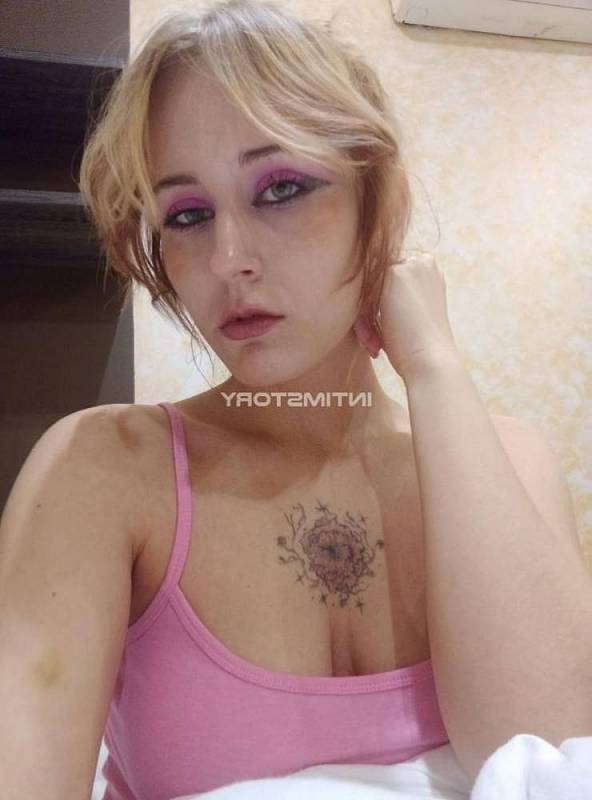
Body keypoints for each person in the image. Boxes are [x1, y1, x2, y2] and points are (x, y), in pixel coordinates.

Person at [3, 1, 590, 799]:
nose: (229, 259)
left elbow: (551, 761)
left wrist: (435, 367)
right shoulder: (104, 470)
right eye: (187, 214)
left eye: (281, 188)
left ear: (377, 204)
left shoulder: (510, 458)